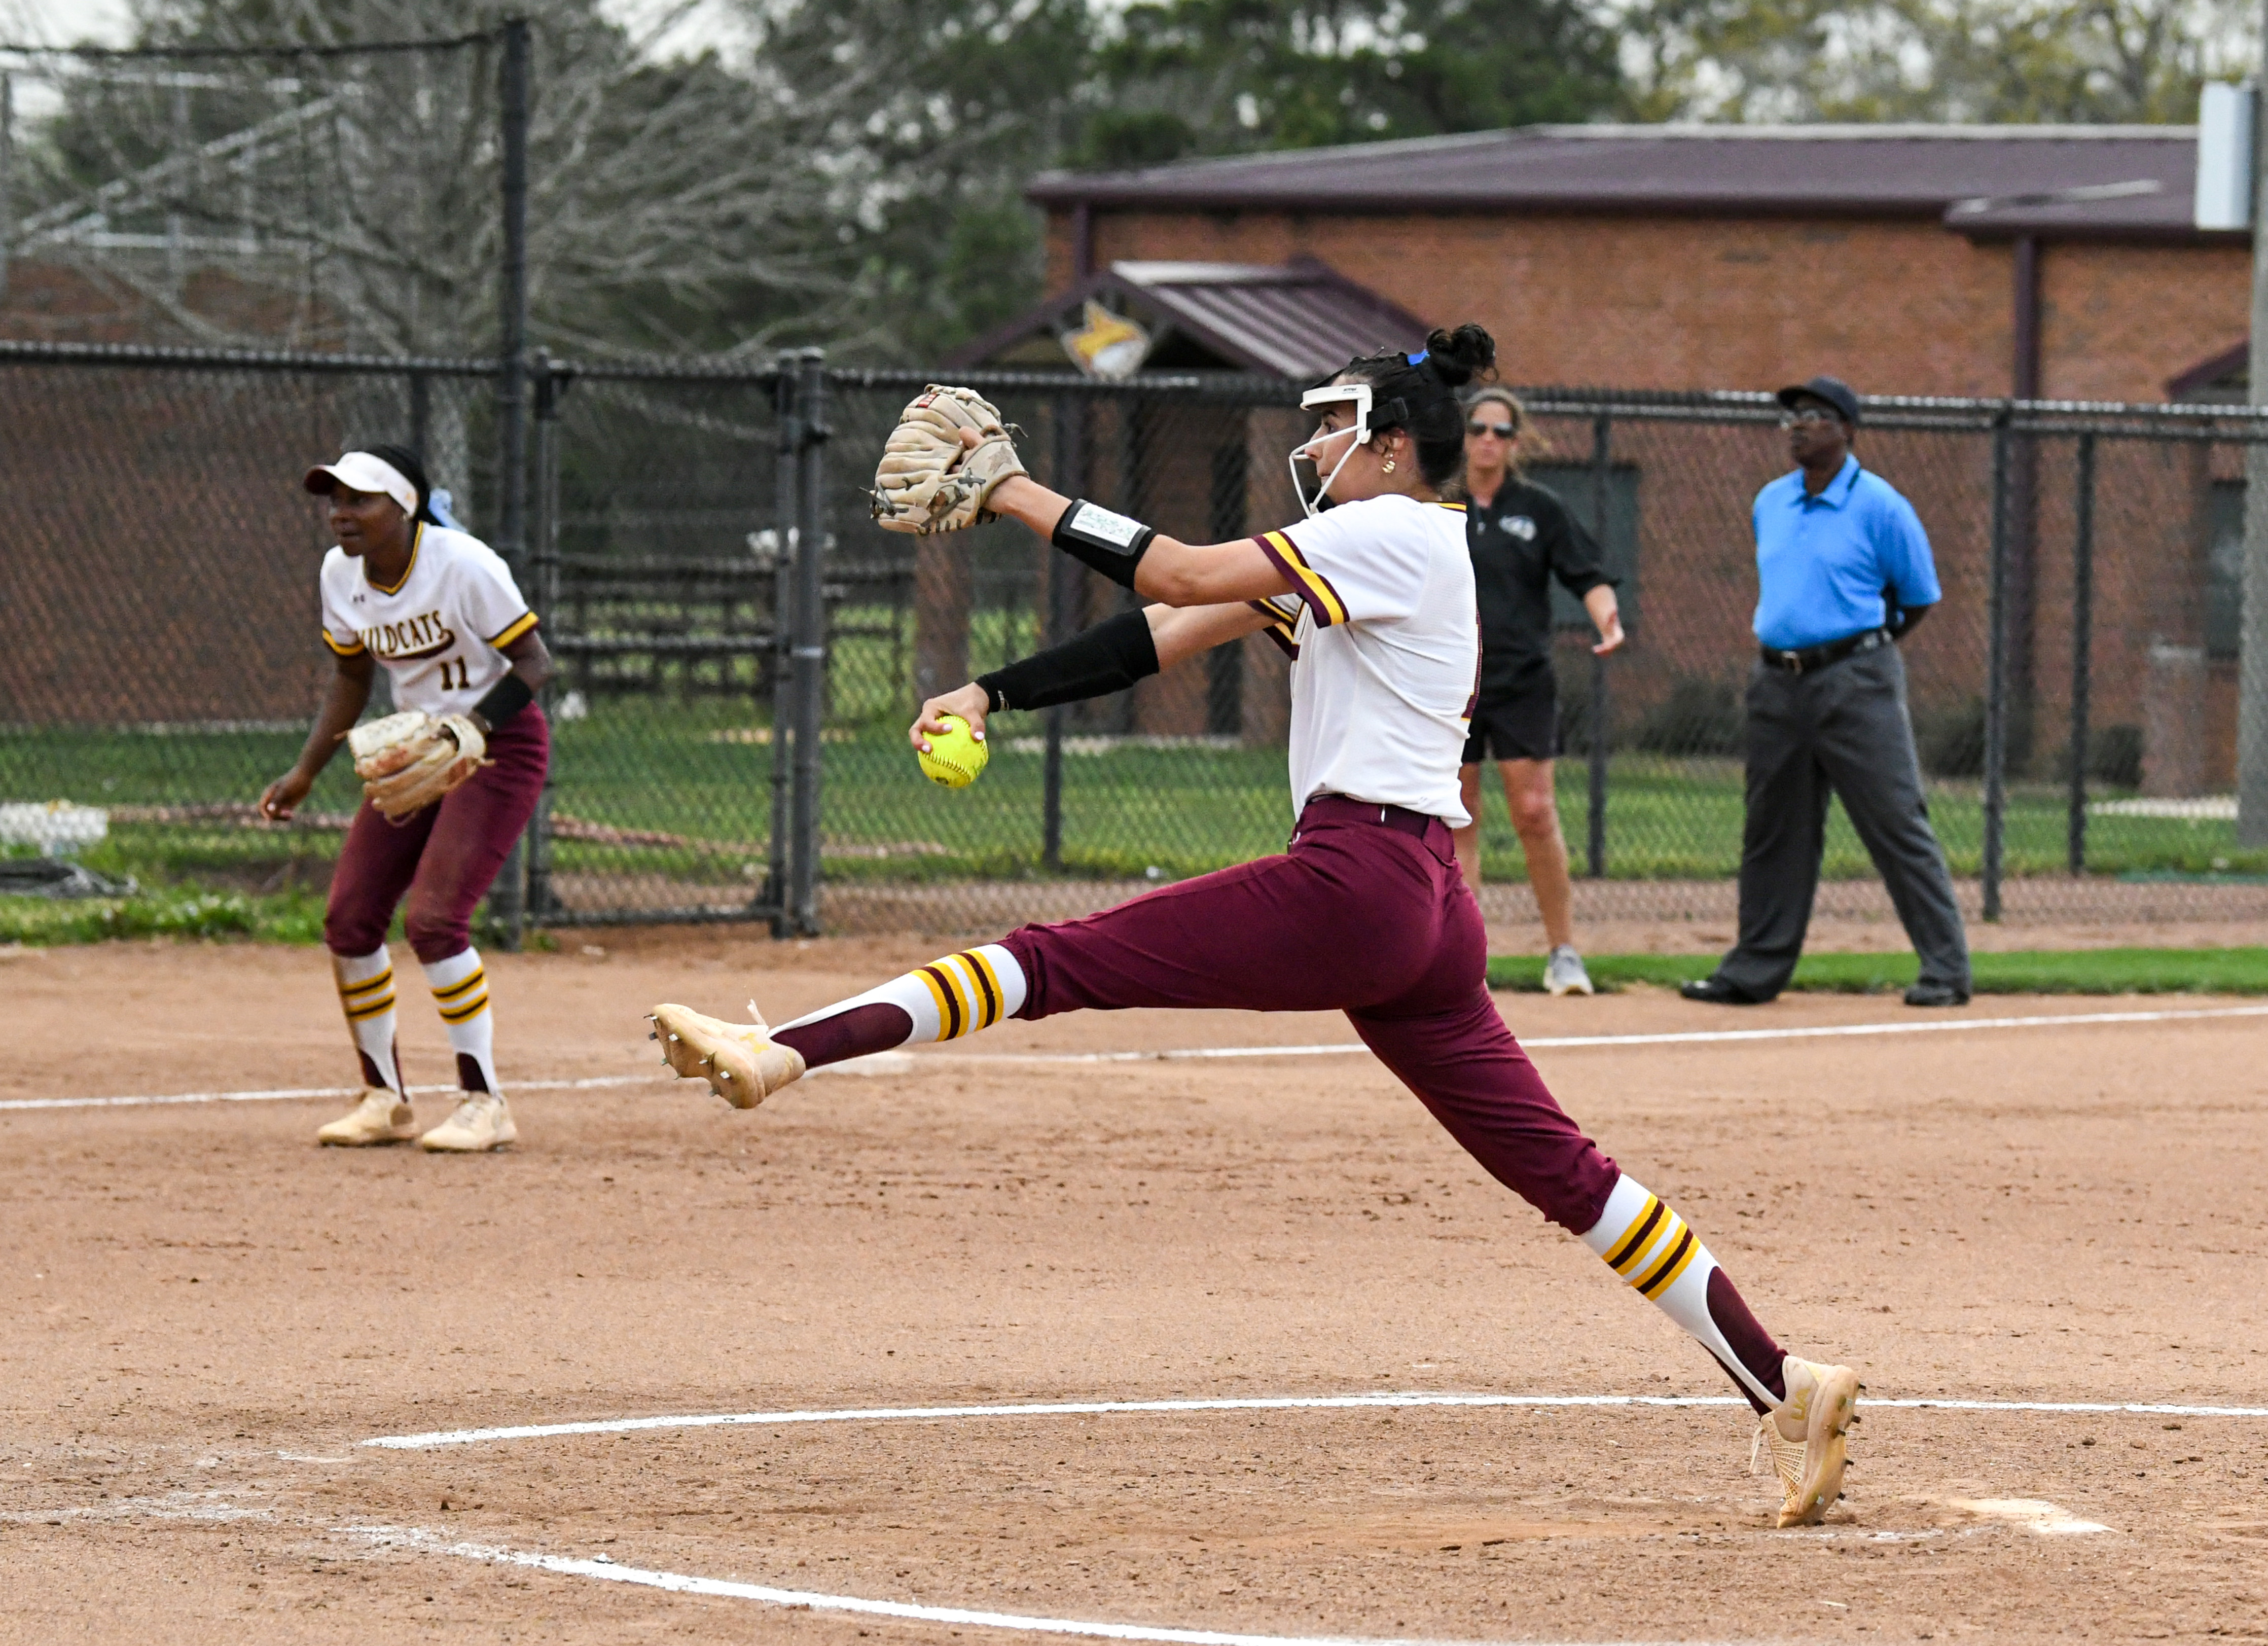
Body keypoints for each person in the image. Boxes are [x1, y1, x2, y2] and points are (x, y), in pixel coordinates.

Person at [649, 327, 1866, 1527]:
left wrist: (1013, 490)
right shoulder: (1387, 546)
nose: (1316, 444)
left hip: (1357, 879)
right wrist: (989, 691)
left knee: (1050, 958)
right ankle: (1783, 1383)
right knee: (1566, 1172)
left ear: (1393, 443)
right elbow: (1158, 633)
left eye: (1334, 424)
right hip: (1424, 902)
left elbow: (1177, 571)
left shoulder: (1389, 529)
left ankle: (783, 1049)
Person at [260, 446, 555, 1152]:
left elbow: (535, 662)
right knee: (350, 918)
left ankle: (485, 1102)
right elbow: (351, 679)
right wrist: (305, 771)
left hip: (499, 745)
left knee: (435, 920)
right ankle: (384, 1098)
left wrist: (473, 727)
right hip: (416, 750)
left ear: (404, 507)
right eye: (334, 501)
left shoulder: (463, 564)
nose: (341, 514)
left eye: (359, 500)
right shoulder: (340, 574)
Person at [1680, 377, 1973, 1010]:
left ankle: (1946, 970)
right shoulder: (1771, 502)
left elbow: (1917, 597)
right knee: (1773, 830)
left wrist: (1858, 650)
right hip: (1775, 684)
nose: (1798, 426)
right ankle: (1753, 970)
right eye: (1791, 416)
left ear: (1847, 430)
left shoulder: (1881, 505)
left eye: (1814, 415)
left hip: (1856, 682)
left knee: (1896, 820)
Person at [1455, 387, 1625, 997]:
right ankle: (1464, 962)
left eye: (1501, 431)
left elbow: (1588, 574)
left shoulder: (1540, 508)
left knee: (1534, 810)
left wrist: (1608, 619)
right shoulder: (1435, 504)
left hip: (1522, 679)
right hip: (1450, 680)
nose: (1488, 440)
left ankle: (1563, 952)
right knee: (1459, 813)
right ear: (1463, 435)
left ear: (1516, 441)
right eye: (1478, 428)